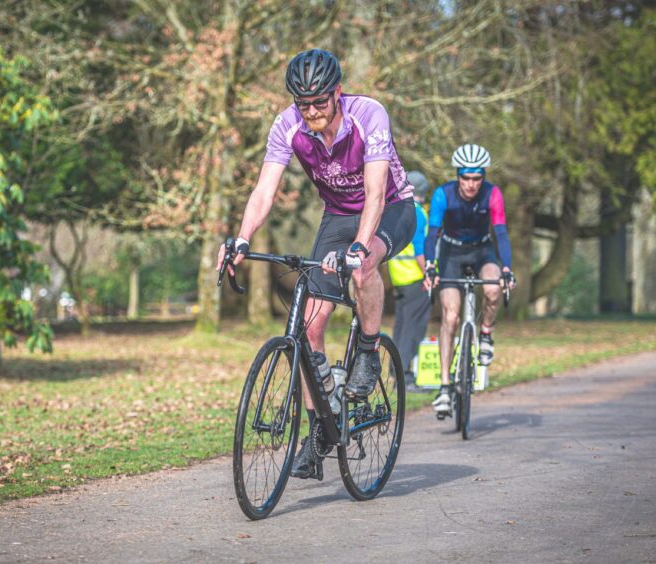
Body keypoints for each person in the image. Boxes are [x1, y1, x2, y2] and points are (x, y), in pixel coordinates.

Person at [216, 48, 416, 478]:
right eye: (302, 103)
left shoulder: (369, 115)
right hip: (337, 216)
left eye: (319, 102)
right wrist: (241, 238)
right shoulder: (287, 126)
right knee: (308, 327)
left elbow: (377, 193)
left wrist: (360, 248)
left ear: (337, 93)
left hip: (391, 209)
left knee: (363, 267)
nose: (311, 112)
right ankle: (321, 427)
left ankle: (367, 349)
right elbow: (264, 191)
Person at [423, 144, 516, 415]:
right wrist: (431, 264)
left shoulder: (492, 194)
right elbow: (432, 235)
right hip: (451, 252)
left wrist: (507, 268)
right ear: (458, 175)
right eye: (466, 177)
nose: (472, 184)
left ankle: (486, 333)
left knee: (493, 288)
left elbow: (500, 233)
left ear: (483, 177)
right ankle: (444, 386)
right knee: (450, 316)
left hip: (481, 249)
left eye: (477, 178)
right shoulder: (443, 194)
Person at [387, 170, 431, 392]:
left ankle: (396, 371)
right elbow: (420, 251)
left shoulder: (396, 212)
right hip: (415, 277)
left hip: (399, 278)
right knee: (414, 328)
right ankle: (405, 376)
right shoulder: (419, 213)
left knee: (402, 326)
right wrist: (429, 275)